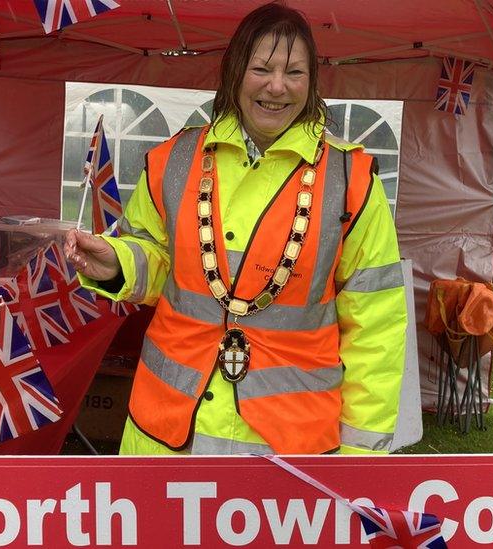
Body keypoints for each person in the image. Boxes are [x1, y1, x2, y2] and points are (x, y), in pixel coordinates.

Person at [65, 2, 406, 455]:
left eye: (295, 73)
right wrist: (119, 262)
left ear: (313, 81)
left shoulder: (353, 180)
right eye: (261, 68)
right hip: (164, 436)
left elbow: (377, 330)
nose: (277, 87)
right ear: (233, 72)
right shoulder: (174, 160)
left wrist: (361, 456)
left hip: (289, 449)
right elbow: (156, 257)